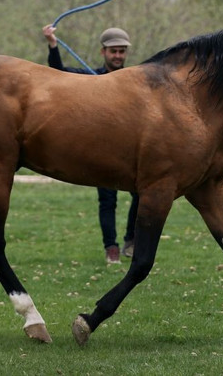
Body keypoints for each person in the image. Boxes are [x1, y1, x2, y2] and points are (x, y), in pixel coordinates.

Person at [42, 24, 140, 264]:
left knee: (141, 194)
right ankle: (111, 247)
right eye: (113, 51)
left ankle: (131, 240)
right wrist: (53, 44)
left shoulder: (135, 81)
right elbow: (59, 72)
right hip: (103, 151)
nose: (118, 56)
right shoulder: (89, 77)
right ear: (103, 52)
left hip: (130, 151)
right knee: (107, 201)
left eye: (121, 51)